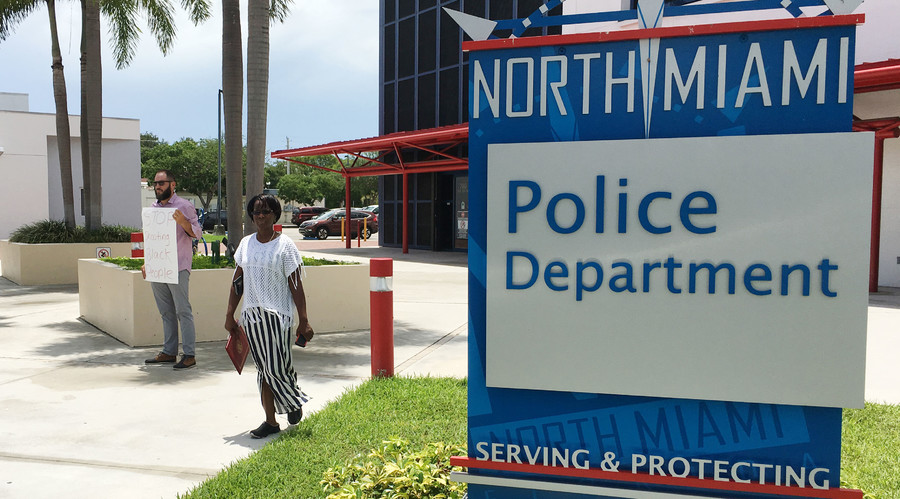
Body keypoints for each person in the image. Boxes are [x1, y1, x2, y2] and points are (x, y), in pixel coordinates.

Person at [225, 193, 310, 438]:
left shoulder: (285, 246)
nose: (260, 216)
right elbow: (237, 281)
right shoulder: (246, 244)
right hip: (252, 317)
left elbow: (296, 286)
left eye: (265, 211)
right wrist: (230, 313)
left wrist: (303, 320)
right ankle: (271, 421)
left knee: (277, 367)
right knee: (264, 369)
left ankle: (292, 400)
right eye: (256, 212)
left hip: (278, 317)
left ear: (275, 215)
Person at [143, 170, 203, 370]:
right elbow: (151, 239)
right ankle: (169, 352)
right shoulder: (153, 209)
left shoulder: (184, 206)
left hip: (178, 266)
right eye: (155, 183)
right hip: (158, 267)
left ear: (172, 184)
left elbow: (197, 233)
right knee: (166, 312)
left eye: (162, 183)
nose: (158, 186)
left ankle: (189, 354)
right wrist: (147, 262)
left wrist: (183, 223)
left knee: (183, 311)